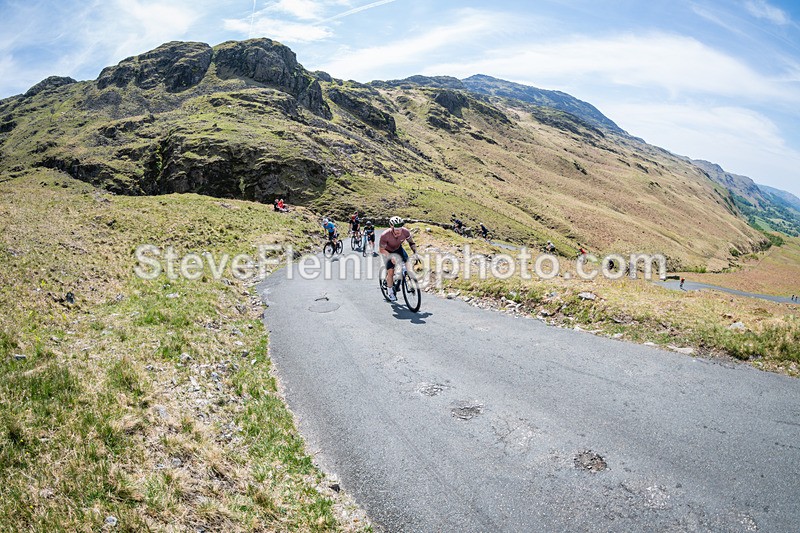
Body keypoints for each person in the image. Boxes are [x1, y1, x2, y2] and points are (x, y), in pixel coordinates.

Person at [380, 216, 418, 302]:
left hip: (398, 249)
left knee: (407, 265)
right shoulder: (385, 235)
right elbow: (381, 249)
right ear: (391, 227)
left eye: (400, 229)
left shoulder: (405, 232)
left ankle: (401, 279)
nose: (399, 231)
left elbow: (411, 243)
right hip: (387, 251)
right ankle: (390, 292)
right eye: (396, 229)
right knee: (391, 271)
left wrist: (416, 253)